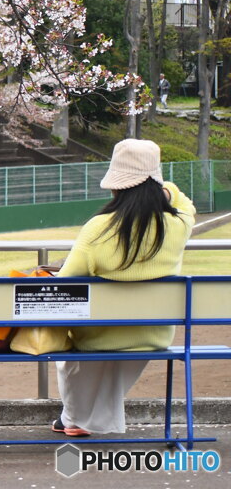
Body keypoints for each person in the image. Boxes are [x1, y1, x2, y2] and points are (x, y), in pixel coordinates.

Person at [52, 138, 194, 437]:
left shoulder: (98, 229)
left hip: (98, 337)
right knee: (105, 349)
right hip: (152, 335)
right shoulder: (179, 224)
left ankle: (73, 416)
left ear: (117, 185)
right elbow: (183, 202)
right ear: (155, 183)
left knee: (70, 349)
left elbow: (64, 284)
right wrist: (163, 185)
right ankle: (74, 418)